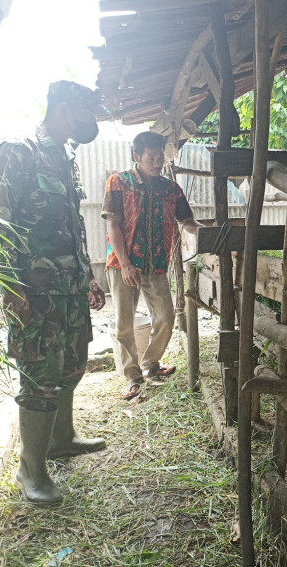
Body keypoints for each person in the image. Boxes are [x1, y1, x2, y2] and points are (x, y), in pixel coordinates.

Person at [0, 80, 108, 505]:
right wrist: (8, 286)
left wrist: (89, 276)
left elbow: (71, 229)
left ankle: (62, 439)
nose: (89, 122)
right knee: (39, 378)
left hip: (70, 290)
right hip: (34, 294)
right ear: (63, 109)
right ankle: (30, 470)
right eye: (84, 112)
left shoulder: (64, 160)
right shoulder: (18, 153)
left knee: (72, 365)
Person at [101, 131, 200, 401]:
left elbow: (187, 222)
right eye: (151, 158)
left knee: (166, 317)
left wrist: (211, 233)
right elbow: (113, 224)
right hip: (123, 264)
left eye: (160, 157)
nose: (157, 163)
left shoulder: (171, 189)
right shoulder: (118, 183)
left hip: (156, 263)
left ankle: (151, 365)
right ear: (137, 157)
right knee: (124, 323)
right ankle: (132, 377)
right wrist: (125, 264)